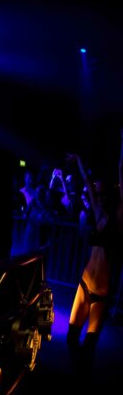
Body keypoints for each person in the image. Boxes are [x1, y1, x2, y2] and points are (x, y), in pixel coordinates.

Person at [65, 133, 123, 376]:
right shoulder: (98, 213)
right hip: (84, 283)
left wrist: (121, 159)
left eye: (101, 191)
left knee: (88, 348)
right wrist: (78, 160)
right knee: (71, 340)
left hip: (101, 293)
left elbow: (121, 181)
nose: (97, 194)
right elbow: (88, 184)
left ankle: (83, 379)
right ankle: (77, 375)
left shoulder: (119, 219)